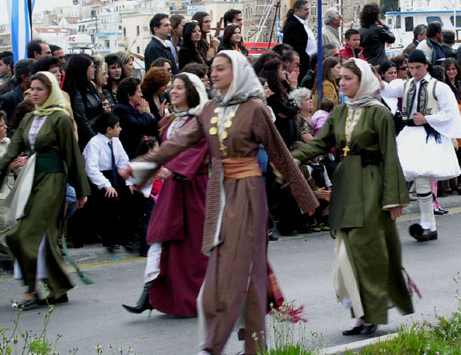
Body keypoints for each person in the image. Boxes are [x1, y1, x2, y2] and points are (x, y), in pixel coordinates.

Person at [120, 51, 318, 355]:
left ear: (237, 72)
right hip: (217, 195)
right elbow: (177, 143)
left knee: (231, 273)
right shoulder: (209, 109)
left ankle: (212, 346)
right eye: (212, 68)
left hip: (248, 195)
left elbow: (280, 154)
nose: (214, 73)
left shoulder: (255, 110)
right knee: (244, 276)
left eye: (221, 68)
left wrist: (306, 197)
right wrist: (141, 166)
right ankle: (254, 346)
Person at [292, 58, 414, 336]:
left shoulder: (379, 113)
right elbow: (320, 144)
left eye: (348, 78)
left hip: (371, 185)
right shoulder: (341, 112)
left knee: (366, 249)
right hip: (347, 183)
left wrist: (394, 197)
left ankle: (371, 313)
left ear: (363, 81)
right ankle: (359, 313)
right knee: (346, 252)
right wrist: (287, 160)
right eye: (341, 78)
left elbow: (391, 156)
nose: (342, 83)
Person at [122, 72, 210, 317]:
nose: (174, 91)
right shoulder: (169, 121)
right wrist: (145, 170)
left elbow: (197, 151)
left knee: (194, 247)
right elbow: (164, 151)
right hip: (172, 187)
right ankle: (153, 293)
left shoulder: (201, 120)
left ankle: (199, 296)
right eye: (173, 87)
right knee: (161, 238)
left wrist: (172, 169)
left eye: (180, 87)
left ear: (192, 92)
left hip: (194, 185)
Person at [0, 72, 89, 309]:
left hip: (52, 182)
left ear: (51, 91)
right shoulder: (30, 119)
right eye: (32, 89)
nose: (34, 93)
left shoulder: (60, 119)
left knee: (24, 234)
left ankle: (31, 292)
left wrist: (81, 190)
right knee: (43, 238)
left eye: (40, 89)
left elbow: (72, 155)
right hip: (31, 181)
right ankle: (57, 289)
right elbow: (12, 151)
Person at [384, 50, 461, 241]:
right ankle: (424, 224)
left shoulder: (439, 87)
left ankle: (428, 224)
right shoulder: (407, 84)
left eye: (417, 67)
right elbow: (386, 90)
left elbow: (450, 113)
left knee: (421, 179)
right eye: (411, 68)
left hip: (427, 135)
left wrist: (427, 119)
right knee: (402, 178)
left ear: (426, 66)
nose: (414, 72)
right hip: (409, 135)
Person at [82, 112, 133, 252]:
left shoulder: (116, 141)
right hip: (99, 179)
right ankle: (110, 239)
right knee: (111, 201)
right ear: (109, 129)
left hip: (115, 175)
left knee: (130, 197)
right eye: (117, 126)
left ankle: (126, 236)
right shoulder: (95, 143)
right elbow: (91, 169)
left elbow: (123, 162)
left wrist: (129, 182)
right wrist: (106, 185)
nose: (120, 129)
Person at [63, 54, 104, 150]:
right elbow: (81, 121)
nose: (94, 69)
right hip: (87, 140)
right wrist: (95, 140)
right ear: (83, 69)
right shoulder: (75, 92)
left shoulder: (90, 86)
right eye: (92, 67)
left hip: (98, 133)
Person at [112, 77, 159, 159]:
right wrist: (146, 114)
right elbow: (136, 126)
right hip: (131, 154)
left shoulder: (136, 108)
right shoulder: (120, 109)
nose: (142, 95)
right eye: (139, 92)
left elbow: (153, 125)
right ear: (129, 95)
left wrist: (148, 114)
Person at [282, 0, 315, 80]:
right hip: (302, 64)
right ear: (297, 10)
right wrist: (308, 60)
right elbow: (296, 47)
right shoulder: (294, 25)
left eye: (308, 9)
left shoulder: (300, 24)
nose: (308, 12)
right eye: (305, 9)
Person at [0, 59, 35, 124]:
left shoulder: (41, 95)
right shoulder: (8, 99)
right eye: (35, 74)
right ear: (24, 78)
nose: (39, 77)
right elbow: (7, 126)